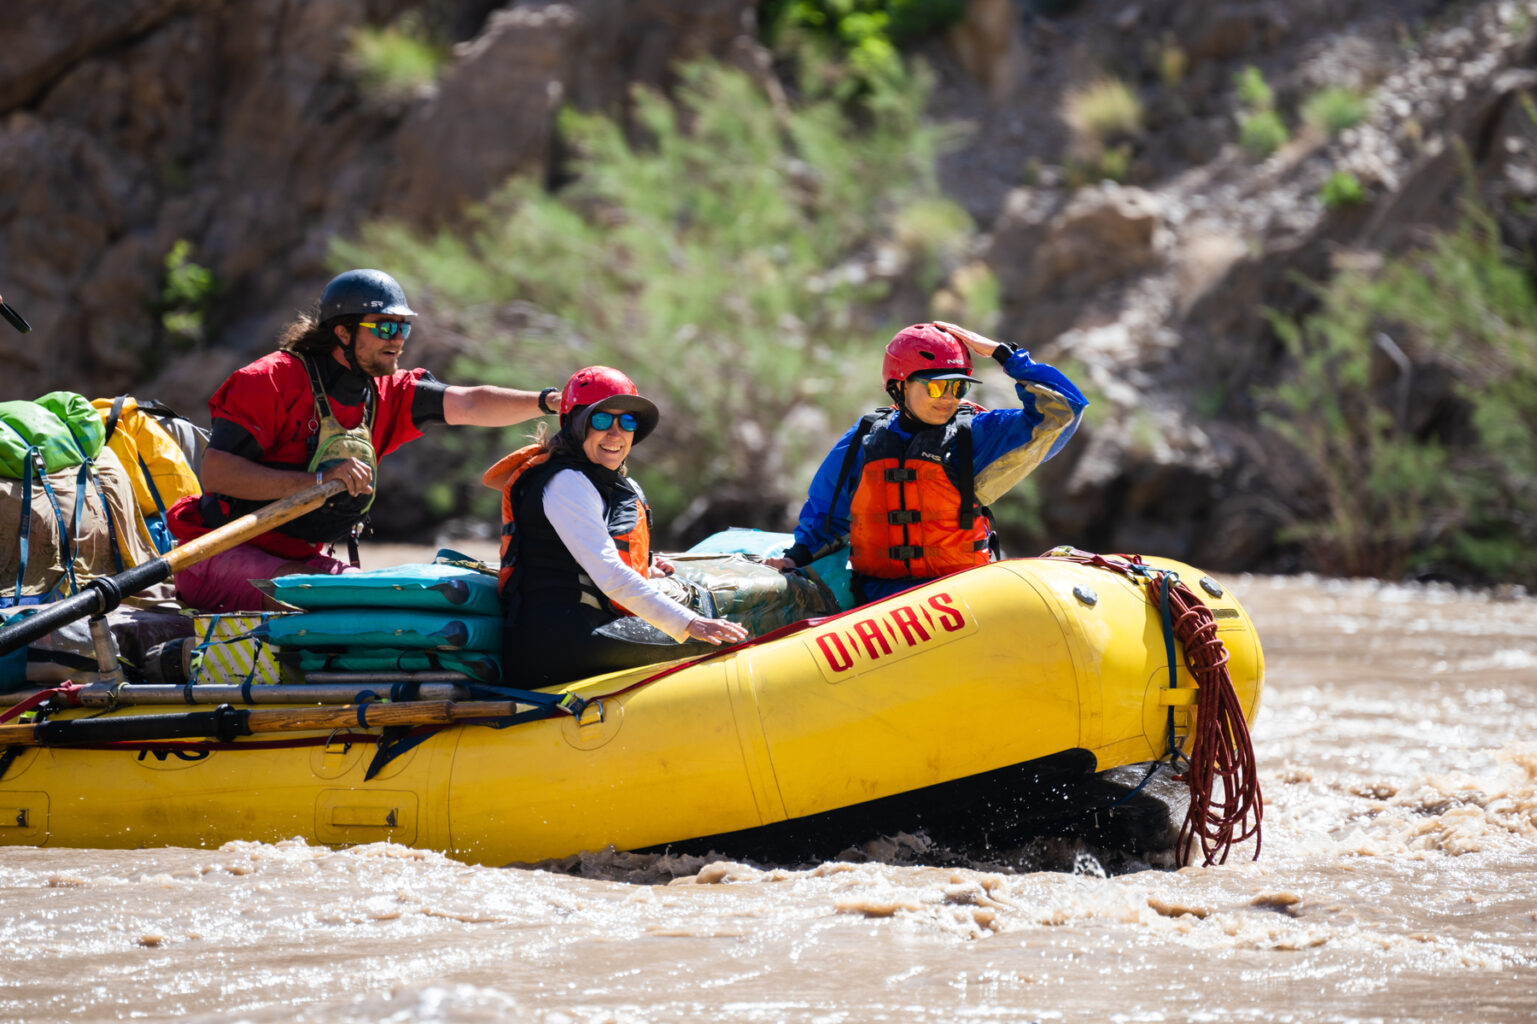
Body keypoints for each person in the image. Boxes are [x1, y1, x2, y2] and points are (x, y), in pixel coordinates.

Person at [166, 268, 560, 613]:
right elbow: (216, 472)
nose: (398, 339)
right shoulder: (270, 380)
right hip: (214, 554)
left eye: (403, 327)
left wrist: (548, 402)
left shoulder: (389, 391)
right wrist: (317, 482)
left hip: (297, 559)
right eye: (385, 327)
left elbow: (472, 403)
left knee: (386, 601)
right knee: (337, 599)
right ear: (343, 331)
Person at [765, 321, 1087, 603]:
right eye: (937, 386)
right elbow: (827, 514)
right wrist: (795, 558)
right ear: (900, 385)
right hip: (880, 600)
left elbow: (1063, 411)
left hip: (960, 596)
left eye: (957, 386)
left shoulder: (976, 436)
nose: (949, 397)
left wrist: (1006, 355)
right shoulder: (864, 439)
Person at [490, 366, 748, 686]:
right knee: (720, 644)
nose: (616, 433)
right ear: (575, 423)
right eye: (601, 420)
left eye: (627, 422)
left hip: (579, 632)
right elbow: (609, 574)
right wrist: (691, 623)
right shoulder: (566, 482)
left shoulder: (591, 478)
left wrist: (646, 567)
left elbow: (583, 558)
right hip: (559, 643)